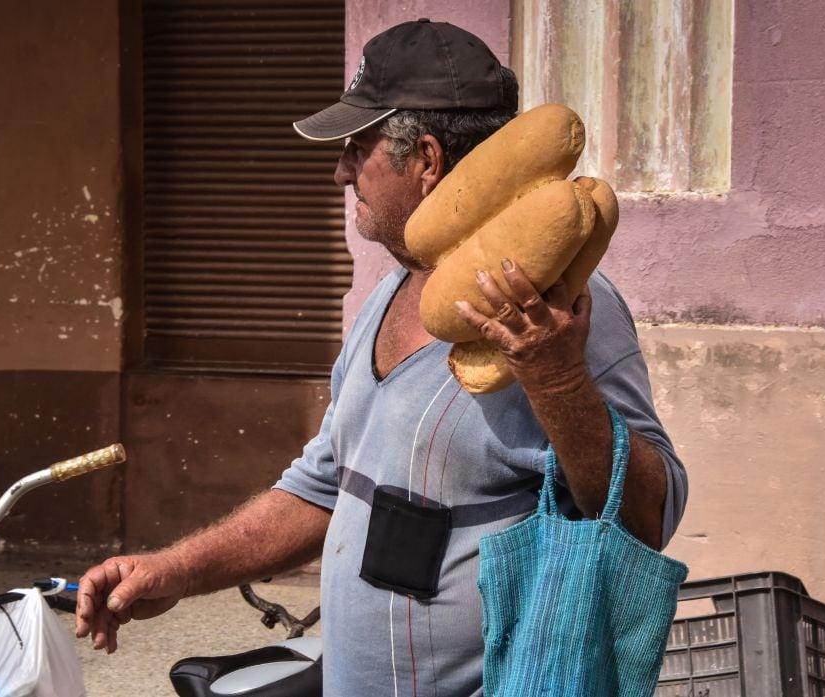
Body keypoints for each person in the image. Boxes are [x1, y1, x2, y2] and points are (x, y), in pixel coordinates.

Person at [76, 18, 687, 696]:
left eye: (357, 149)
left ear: (425, 160)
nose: (340, 172)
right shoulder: (387, 294)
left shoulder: (557, 307)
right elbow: (322, 489)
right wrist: (175, 571)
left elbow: (651, 516)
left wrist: (557, 376)